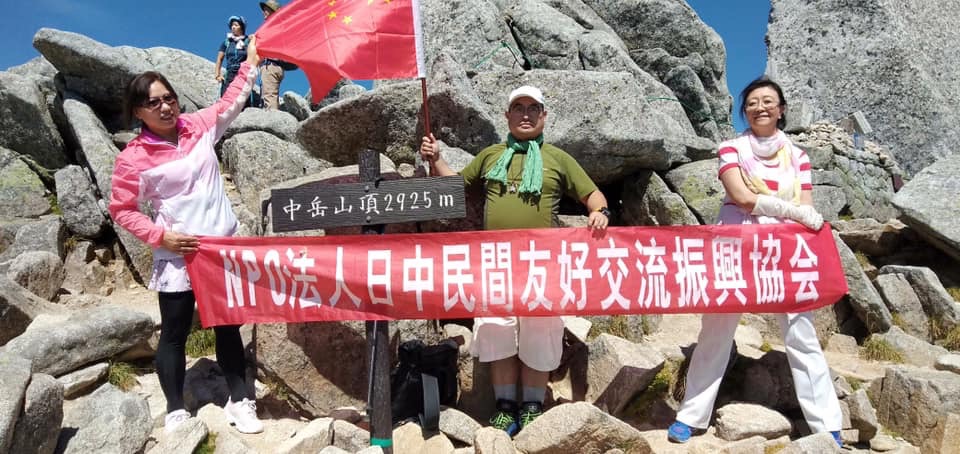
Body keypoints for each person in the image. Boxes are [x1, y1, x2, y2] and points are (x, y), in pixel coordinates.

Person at [420, 85, 610, 435]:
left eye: (532, 108)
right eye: (518, 108)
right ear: (507, 116)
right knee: (497, 330)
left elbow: (593, 194)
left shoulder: (558, 158)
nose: (525, 114)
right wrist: (437, 159)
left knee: (541, 331)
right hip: (496, 263)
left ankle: (532, 407)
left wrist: (600, 212)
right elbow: (456, 187)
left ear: (543, 115)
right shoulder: (491, 155)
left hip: (542, 263)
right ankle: (506, 407)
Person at [666, 77, 842, 448]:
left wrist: (804, 216)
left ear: (781, 109)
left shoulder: (798, 156)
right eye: (752, 102)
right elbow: (742, 197)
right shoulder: (731, 148)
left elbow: (806, 205)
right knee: (716, 329)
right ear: (744, 111)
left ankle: (827, 425)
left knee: (801, 333)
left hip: (783, 251)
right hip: (736, 247)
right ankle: (690, 416)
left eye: (768, 101)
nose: (759, 107)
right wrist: (794, 212)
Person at [109, 36, 264, 435]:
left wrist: (250, 62)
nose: (165, 106)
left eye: (169, 98)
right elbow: (122, 209)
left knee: (227, 326)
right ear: (138, 111)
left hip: (221, 249)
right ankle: (176, 408)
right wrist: (160, 237)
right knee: (175, 333)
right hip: (178, 255)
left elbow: (231, 101)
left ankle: (239, 400)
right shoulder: (133, 159)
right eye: (154, 102)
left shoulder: (198, 127)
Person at [258, 0, 291, 110]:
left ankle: (272, 118)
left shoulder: (274, 28)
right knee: (270, 94)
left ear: (273, 12)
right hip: (275, 66)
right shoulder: (280, 27)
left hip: (271, 65)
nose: (264, 12)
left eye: (266, 10)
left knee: (269, 96)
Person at [215, 15, 249, 98]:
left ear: (242, 27)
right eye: (232, 25)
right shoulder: (227, 42)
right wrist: (217, 75)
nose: (233, 27)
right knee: (226, 97)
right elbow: (219, 59)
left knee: (241, 98)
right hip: (230, 73)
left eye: (236, 25)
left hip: (243, 73)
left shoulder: (248, 41)